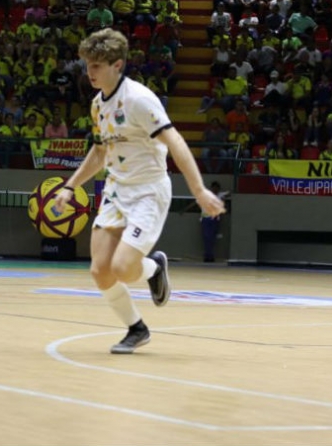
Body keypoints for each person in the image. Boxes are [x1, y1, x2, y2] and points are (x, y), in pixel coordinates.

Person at [53, 28, 226, 354]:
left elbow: (175, 141)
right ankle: (137, 328)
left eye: (97, 66)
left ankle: (154, 267)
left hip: (148, 190)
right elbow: (100, 152)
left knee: (122, 267)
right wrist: (69, 186)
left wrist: (199, 190)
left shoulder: (139, 100)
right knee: (100, 271)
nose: (90, 72)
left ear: (117, 65)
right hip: (117, 190)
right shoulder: (97, 105)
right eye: (88, 65)